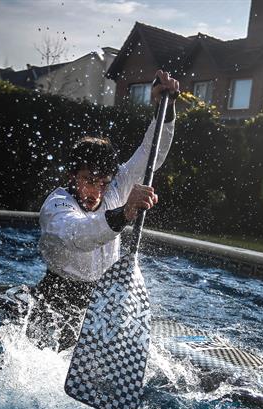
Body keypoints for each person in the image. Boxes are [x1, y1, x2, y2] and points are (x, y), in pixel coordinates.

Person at [27, 70, 180, 350]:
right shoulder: (57, 206)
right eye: (88, 180)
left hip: (101, 299)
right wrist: (124, 213)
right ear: (72, 176)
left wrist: (164, 108)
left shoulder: (115, 187)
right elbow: (78, 236)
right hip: (56, 298)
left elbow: (150, 155)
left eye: (102, 182)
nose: (95, 191)